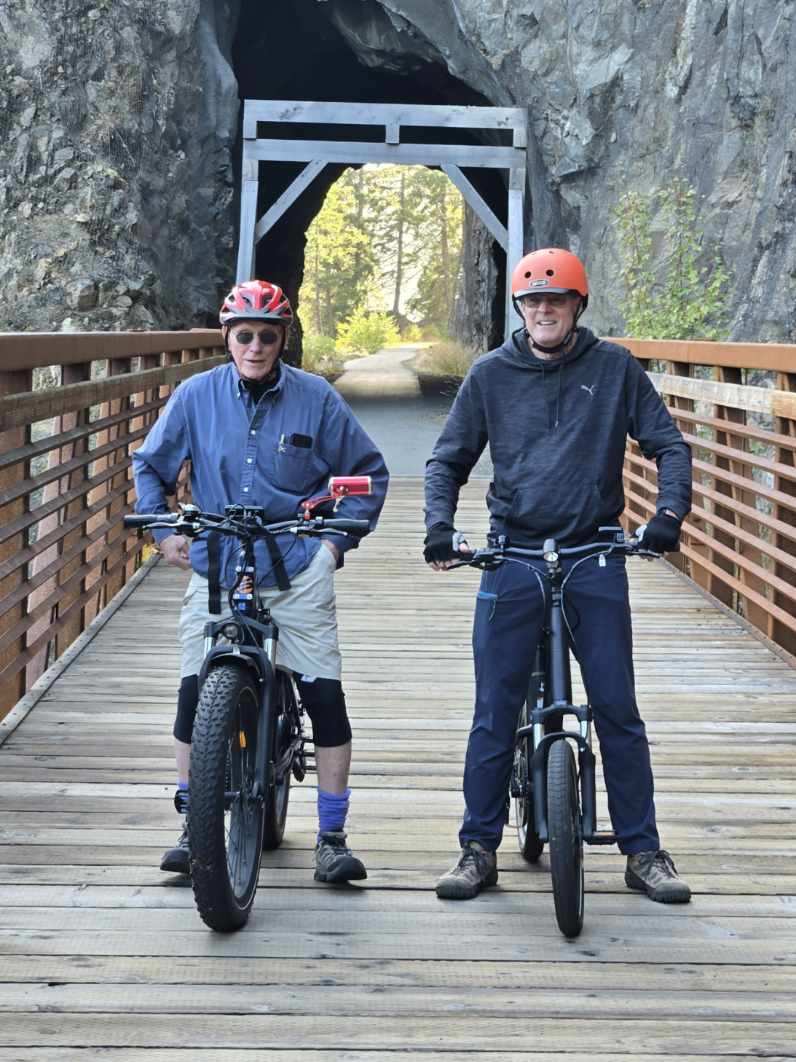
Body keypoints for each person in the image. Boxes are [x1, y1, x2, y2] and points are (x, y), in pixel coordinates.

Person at [423, 248, 692, 904]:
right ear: (519, 309)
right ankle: (477, 848)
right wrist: (438, 526)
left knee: (616, 707)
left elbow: (669, 445)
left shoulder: (614, 368)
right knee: (493, 710)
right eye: (533, 302)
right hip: (512, 554)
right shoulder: (490, 374)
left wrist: (667, 515)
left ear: (578, 306)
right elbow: (447, 460)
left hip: (593, 551)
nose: (544, 311)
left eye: (557, 300)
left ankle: (643, 851)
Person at [133, 279, 388, 883]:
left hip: (296, 562)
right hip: (217, 561)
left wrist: (334, 543)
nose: (255, 346)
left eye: (267, 336)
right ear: (228, 338)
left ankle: (331, 834)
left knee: (324, 694)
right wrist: (164, 532)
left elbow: (368, 472)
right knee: (194, 687)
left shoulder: (317, 399)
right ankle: (192, 820)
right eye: (243, 335)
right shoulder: (195, 396)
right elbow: (150, 464)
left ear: (282, 339)